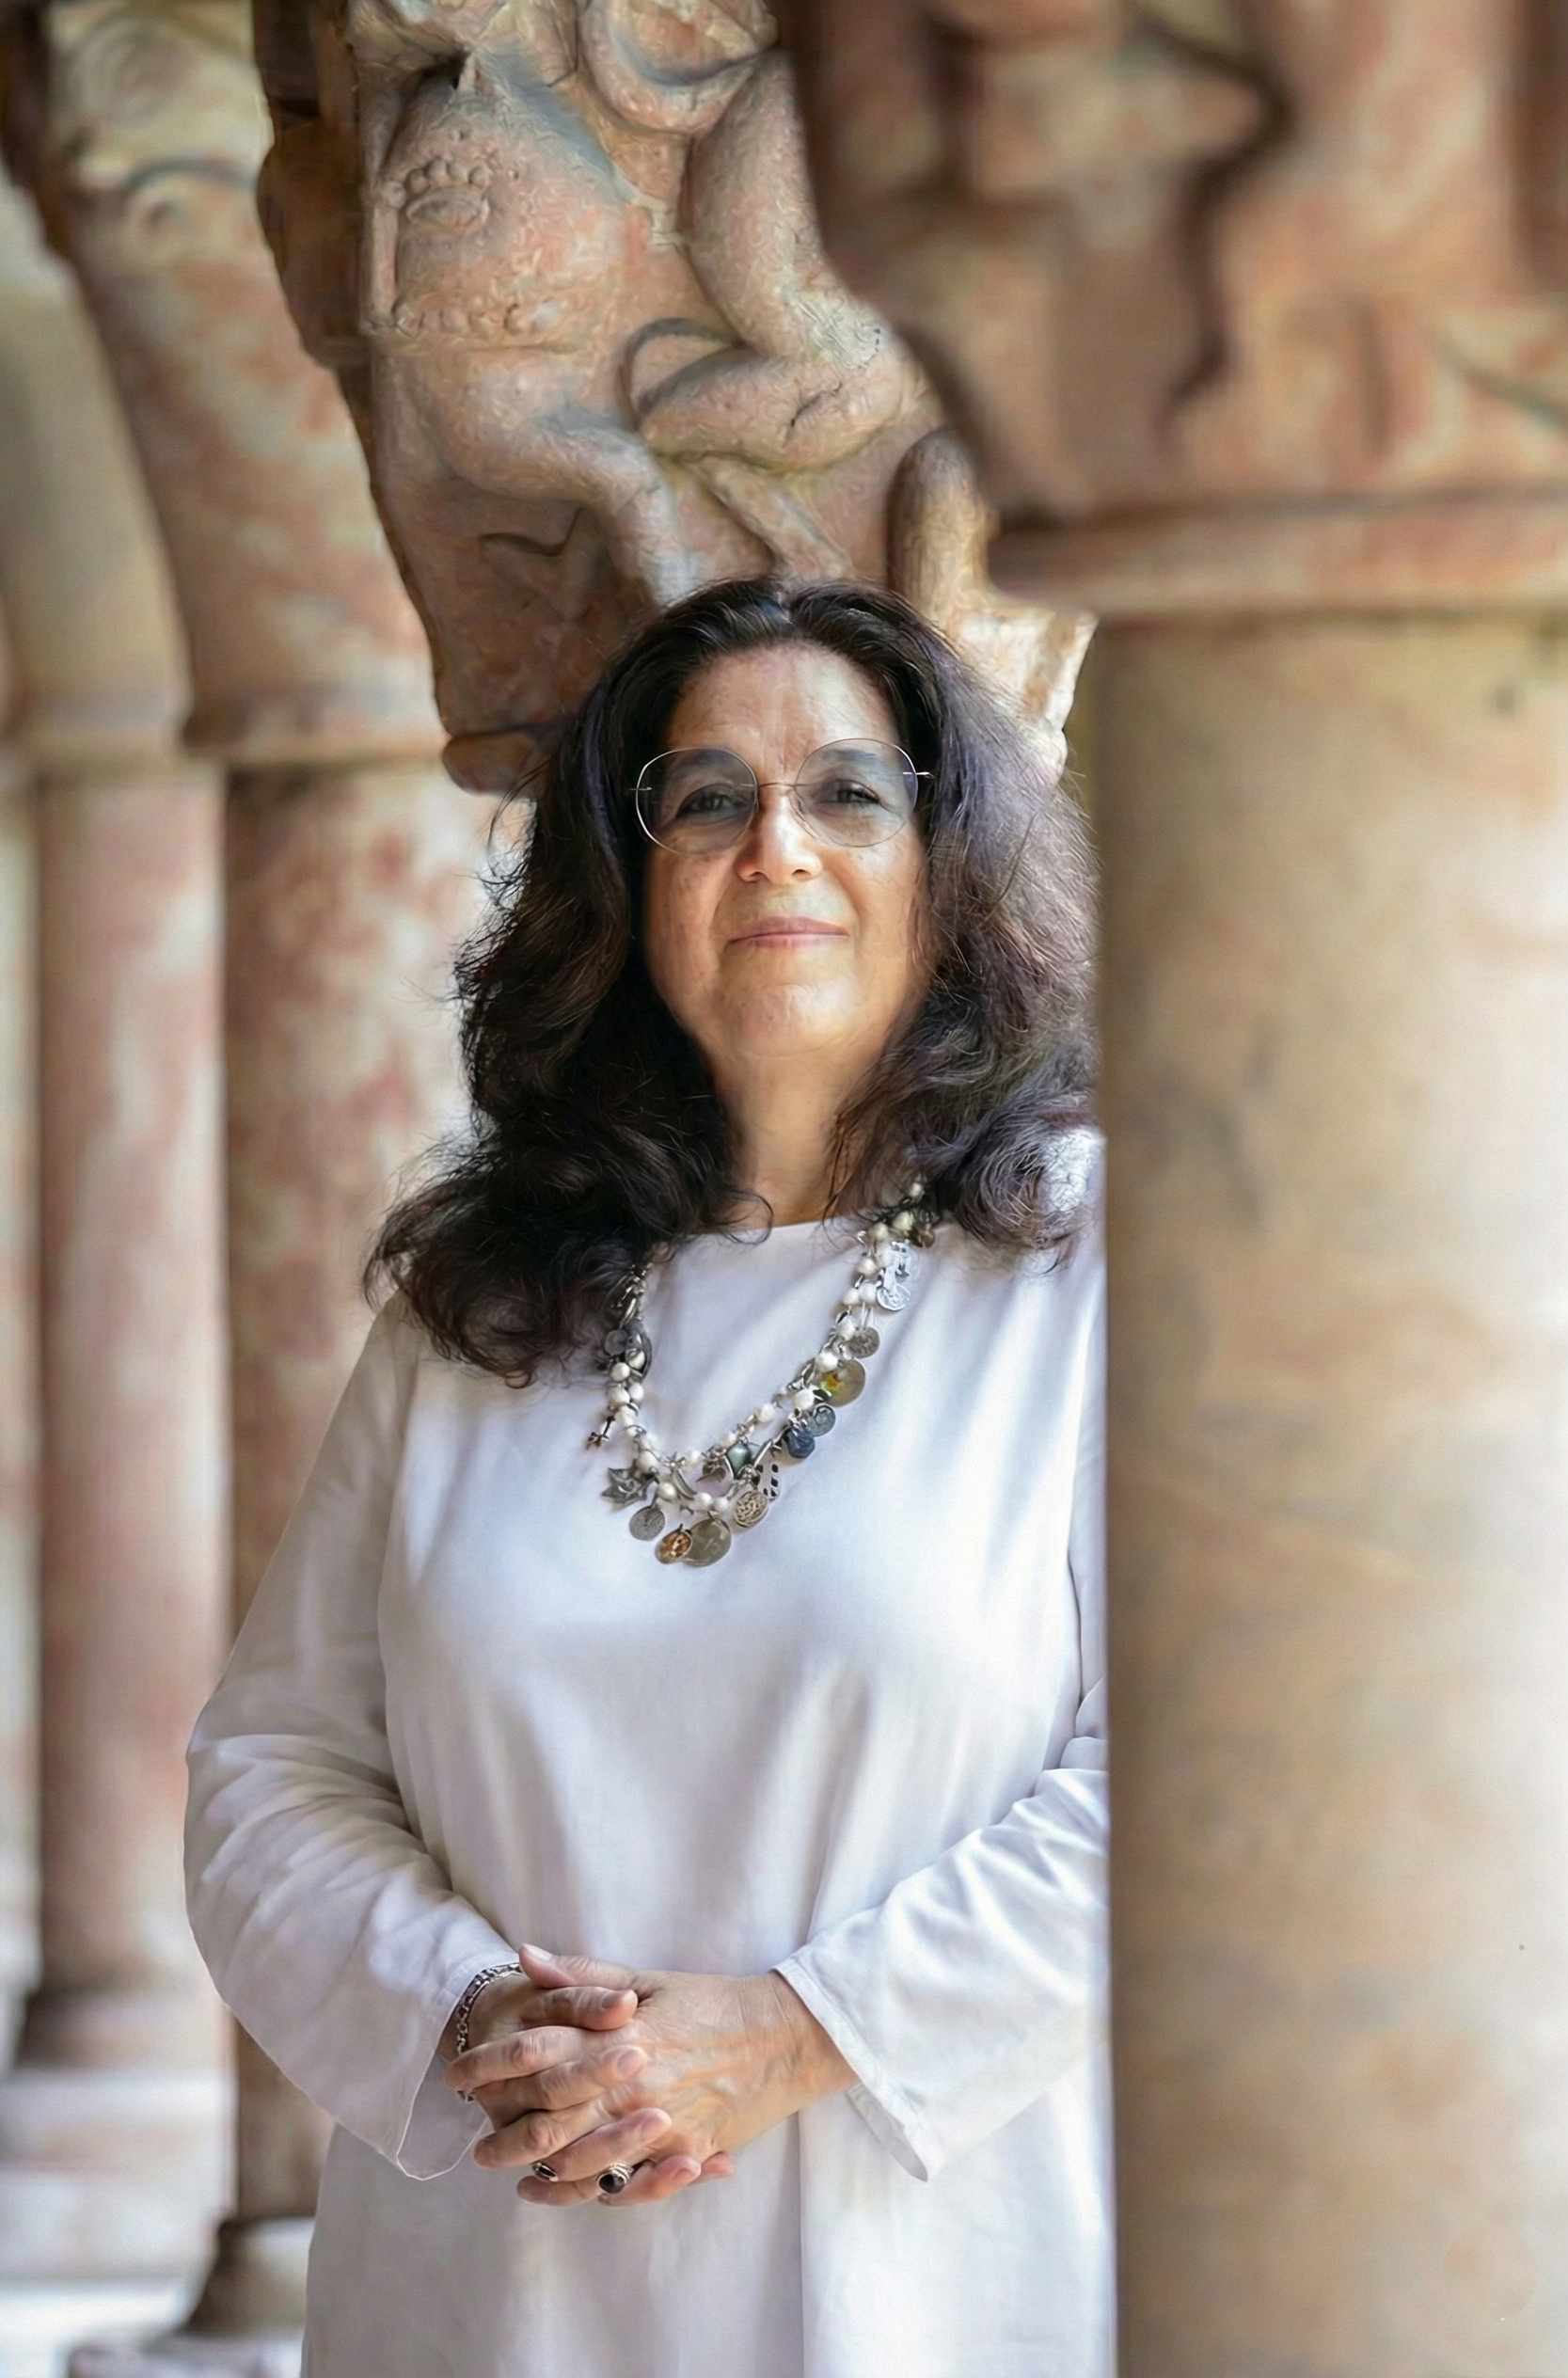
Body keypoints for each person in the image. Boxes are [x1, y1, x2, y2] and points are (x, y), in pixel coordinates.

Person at [184, 578, 1110, 2378]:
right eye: (705, 799)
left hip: (933, 2284)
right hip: (496, 2271)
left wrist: (792, 2032)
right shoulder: (479, 1305)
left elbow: (1193, 1780)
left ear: (955, 862)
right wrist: (477, 2024)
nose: (777, 844)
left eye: (852, 793)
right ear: (633, 888)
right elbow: (271, 1765)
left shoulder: (1095, 1270)